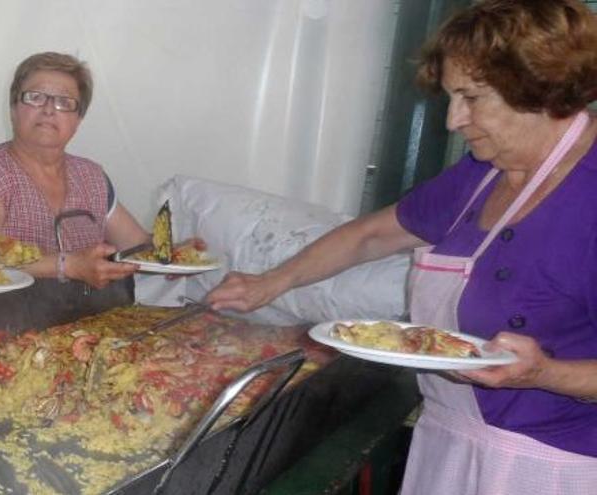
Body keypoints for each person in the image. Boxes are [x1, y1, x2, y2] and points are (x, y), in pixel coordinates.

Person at [207, 1, 597, 493]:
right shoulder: (483, 171)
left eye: (471, 97)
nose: (453, 120)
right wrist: (271, 283)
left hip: (548, 464)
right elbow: (371, 234)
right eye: (451, 97)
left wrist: (546, 374)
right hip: (449, 436)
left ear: (542, 89)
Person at [0, 52, 150, 289]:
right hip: (0, 321)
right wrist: (69, 265)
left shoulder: (92, 176)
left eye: (64, 102)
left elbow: (139, 249)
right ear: (13, 108)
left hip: (91, 320)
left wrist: (177, 255)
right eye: (35, 97)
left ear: (78, 120)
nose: (48, 110)